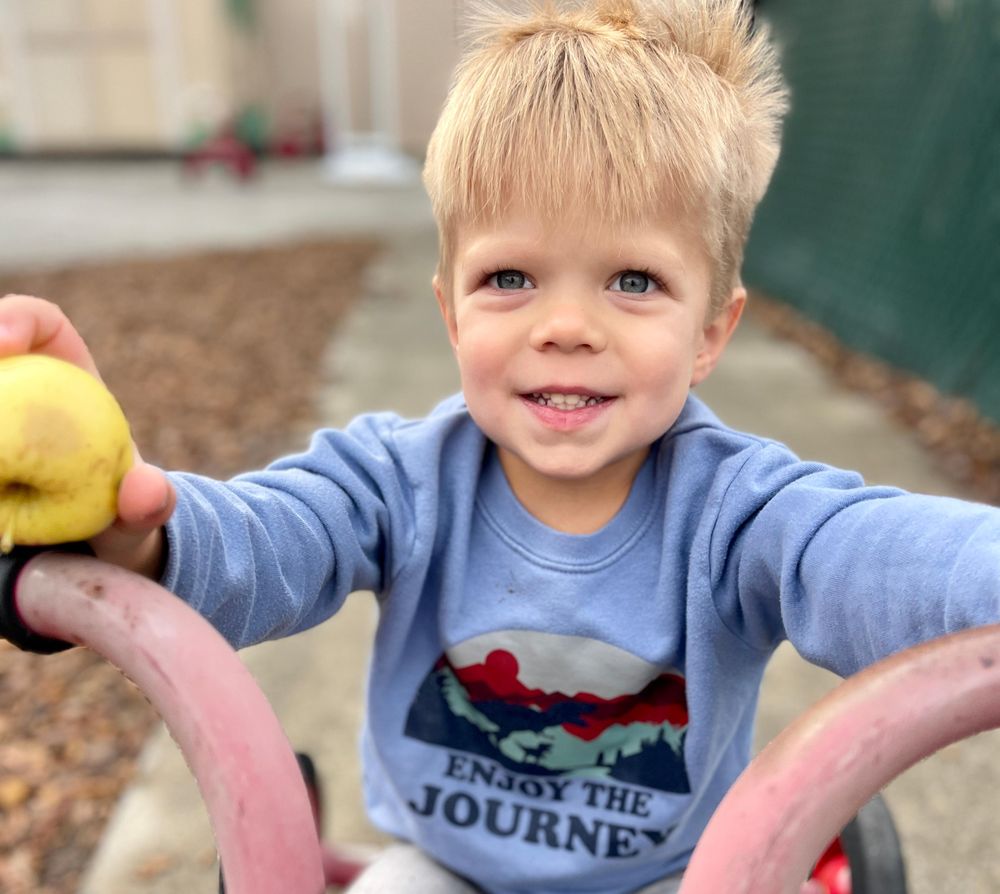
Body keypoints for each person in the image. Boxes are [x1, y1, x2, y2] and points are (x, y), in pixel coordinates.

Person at [0, 1, 997, 892]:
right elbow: (262, 540)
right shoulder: (394, 481)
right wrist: (131, 523)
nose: (564, 325)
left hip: (668, 873)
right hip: (445, 866)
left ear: (711, 332)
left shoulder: (742, 513)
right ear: (449, 311)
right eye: (511, 278)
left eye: (633, 282)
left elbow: (877, 554)